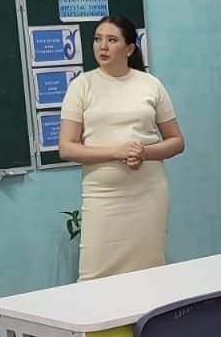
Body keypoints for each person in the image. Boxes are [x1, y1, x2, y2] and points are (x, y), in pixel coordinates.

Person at [57, 15, 184, 281]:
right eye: (97, 39)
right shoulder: (81, 86)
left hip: (149, 192)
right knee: (93, 277)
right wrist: (117, 152)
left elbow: (176, 141)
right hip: (102, 195)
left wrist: (144, 152)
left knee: (149, 273)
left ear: (129, 49)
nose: (102, 46)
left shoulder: (150, 84)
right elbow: (67, 148)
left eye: (111, 40)